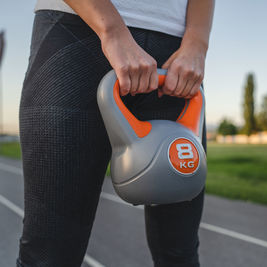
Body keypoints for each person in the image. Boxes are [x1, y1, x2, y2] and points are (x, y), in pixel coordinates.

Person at [18, 0, 214, 266]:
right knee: (49, 257)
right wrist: (112, 30)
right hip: (77, 28)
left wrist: (197, 43)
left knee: (180, 255)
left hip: (176, 58)